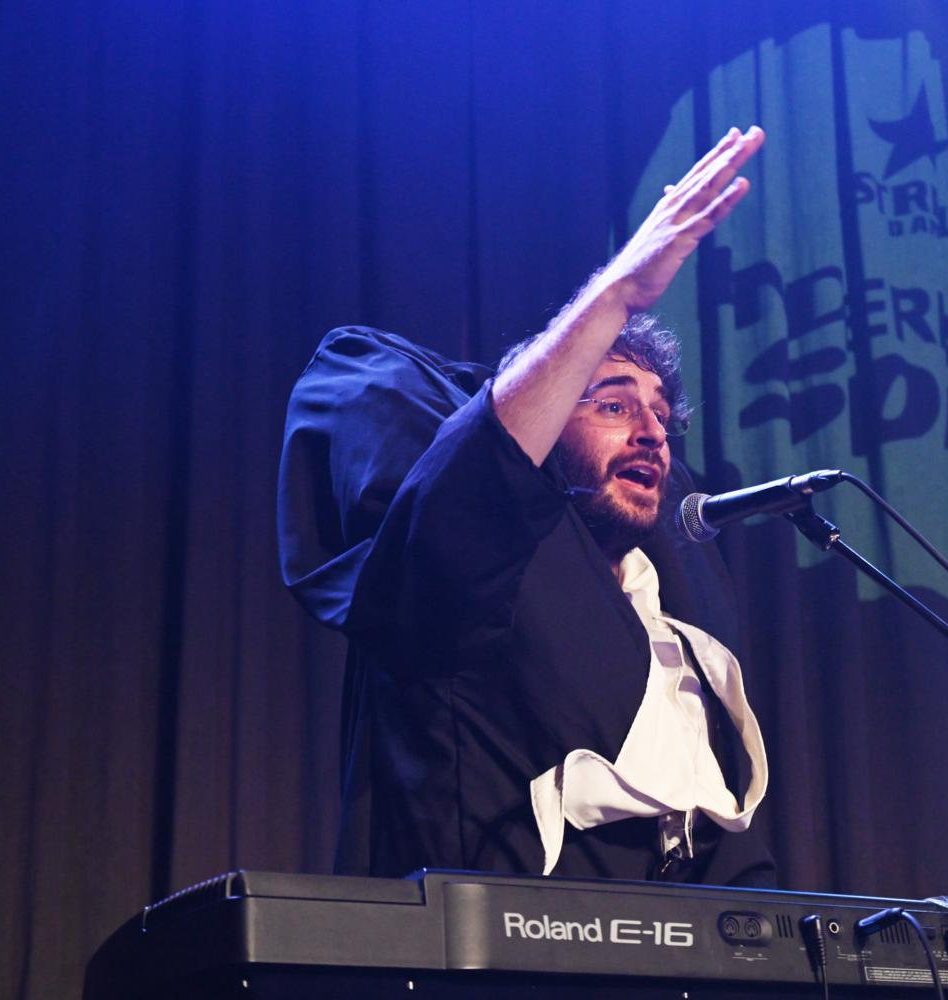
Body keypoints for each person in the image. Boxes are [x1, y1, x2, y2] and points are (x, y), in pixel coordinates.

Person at [278, 126, 774, 885]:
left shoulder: (672, 607)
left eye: (661, 414)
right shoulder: (490, 574)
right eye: (613, 405)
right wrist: (616, 294)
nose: (652, 433)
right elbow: (456, 527)